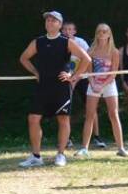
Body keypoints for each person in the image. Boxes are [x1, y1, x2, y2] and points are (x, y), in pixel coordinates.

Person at [18, 11, 91, 168]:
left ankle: (61, 154)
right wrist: (35, 72)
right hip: (42, 86)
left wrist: (74, 76)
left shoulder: (66, 42)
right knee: (33, 118)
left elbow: (86, 59)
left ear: (60, 24)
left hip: (61, 86)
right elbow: (23, 58)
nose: (49, 22)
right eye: (48, 20)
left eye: (53, 20)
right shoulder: (38, 42)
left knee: (63, 119)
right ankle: (36, 156)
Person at [74, 23, 128, 158]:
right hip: (93, 84)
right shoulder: (91, 50)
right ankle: (84, 148)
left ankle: (121, 148)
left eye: (104, 31)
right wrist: (93, 84)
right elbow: (89, 71)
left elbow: (114, 73)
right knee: (90, 115)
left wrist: (102, 84)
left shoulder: (114, 51)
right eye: (99, 31)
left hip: (109, 84)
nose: (102, 33)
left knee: (114, 114)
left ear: (109, 34)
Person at [64, 21, 104, 149]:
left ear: (74, 31)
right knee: (65, 107)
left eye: (70, 29)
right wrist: (70, 77)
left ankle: (97, 137)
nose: (67, 32)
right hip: (68, 79)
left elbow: (88, 59)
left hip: (83, 77)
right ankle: (66, 139)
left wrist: (79, 76)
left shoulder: (80, 42)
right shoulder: (59, 42)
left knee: (91, 107)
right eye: (65, 29)